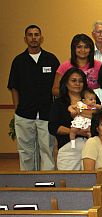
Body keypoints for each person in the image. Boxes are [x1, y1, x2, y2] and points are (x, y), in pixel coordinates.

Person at [8, 24, 59, 171]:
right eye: (30, 35)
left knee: (47, 150)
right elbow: (14, 87)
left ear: (41, 38)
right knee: (26, 152)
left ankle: (48, 183)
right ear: (25, 39)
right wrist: (17, 109)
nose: (33, 38)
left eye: (36, 34)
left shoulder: (51, 59)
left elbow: (57, 87)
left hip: (46, 113)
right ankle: (27, 183)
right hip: (24, 114)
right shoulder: (18, 61)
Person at [49, 68, 93, 170]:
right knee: (70, 181)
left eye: (81, 81)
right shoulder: (59, 103)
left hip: (91, 146)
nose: (77, 83)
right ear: (66, 83)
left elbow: (99, 117)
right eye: (73, 80)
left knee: (91, 180)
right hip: (68, 147)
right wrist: (77, 132)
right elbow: (53, 127)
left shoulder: (91, 99)